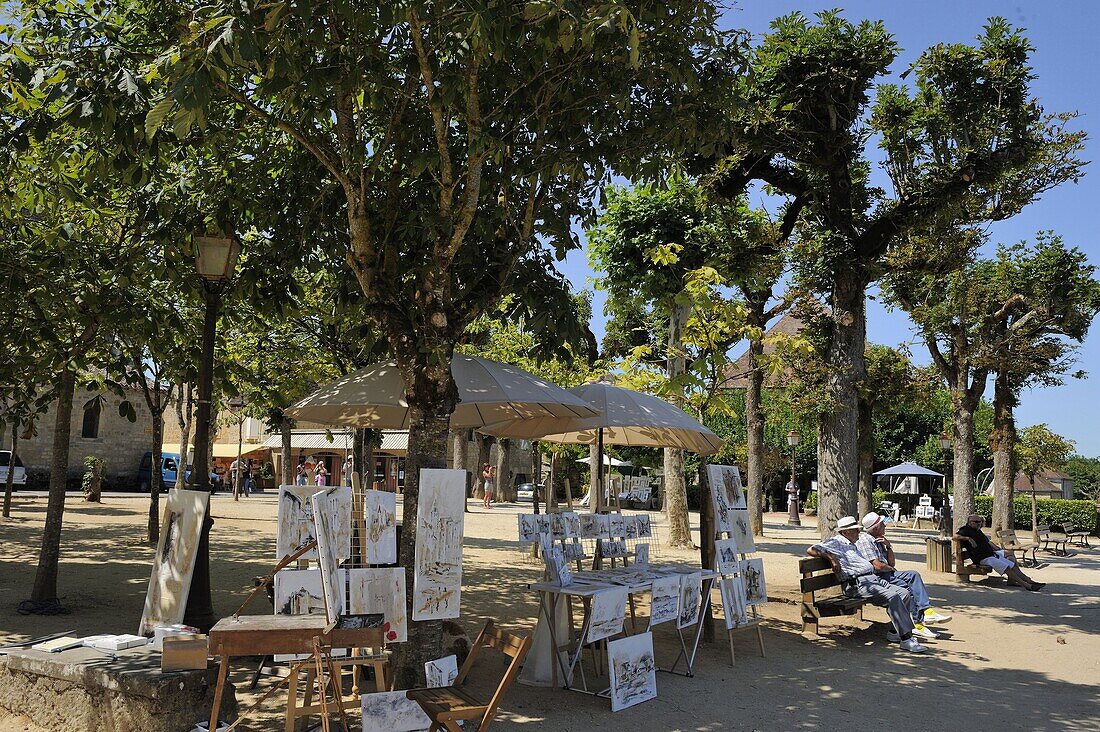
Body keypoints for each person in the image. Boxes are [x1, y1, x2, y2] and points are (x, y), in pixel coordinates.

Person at [807, 515, 928, 653]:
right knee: (894, 596)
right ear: (846, 532)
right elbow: (812, 549)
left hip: (871, 580)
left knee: (904, 593)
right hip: (857, 584)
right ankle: (906, 639)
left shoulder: (851, 544)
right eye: (856, 530)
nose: (859, 532)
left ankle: (895, 632)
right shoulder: (837, 541)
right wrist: (831, 558)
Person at [857, 512, 952, 639]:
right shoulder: (865, 540)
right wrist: (890, 568)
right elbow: (877, 566)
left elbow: (892, 562)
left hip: (888, 573)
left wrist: (889, 546)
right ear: (875, 528)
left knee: (913, 575)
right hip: (879, 577)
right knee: (907, 588)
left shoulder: (879, 539)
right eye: (882, 524)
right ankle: (918, 624)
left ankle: (927, 612)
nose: (885, 525)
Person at [954, 514, 1043, 590]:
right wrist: (968, 538)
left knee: (1012, 565)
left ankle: (1029, 581)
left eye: (979, 522)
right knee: (1007, 567)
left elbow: (988, 542)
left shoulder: (978, 531)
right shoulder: (965, 529)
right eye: (976, 522)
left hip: (991, 555)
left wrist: (997, 549)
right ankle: (1027, 585)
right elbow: (954, 537)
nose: (978, 524)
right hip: (983, 558)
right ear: (969, 522)